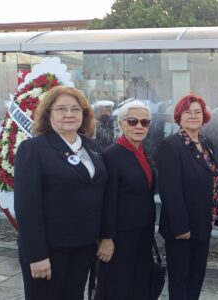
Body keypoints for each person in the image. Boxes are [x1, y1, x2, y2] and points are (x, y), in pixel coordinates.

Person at [14, 86, 107, 300]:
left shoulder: (91, 147)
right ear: (48, 114)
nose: (69, 114)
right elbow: (27, 207)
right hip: (49, 251)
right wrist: (37, 256)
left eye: (76, 109)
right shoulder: (33, 149)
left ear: (84, 114)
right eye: (61, 108)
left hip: (82, 247)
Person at [157, 94, 218, 300]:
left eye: (197, 112)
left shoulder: (206, 142)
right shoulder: (171, 145)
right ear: (179, 116)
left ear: (204, 116)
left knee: (197, 275)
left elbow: (217, 173)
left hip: (203, 222)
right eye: (188, 112)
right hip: (181, 228)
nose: (193, 116)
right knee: (180, 278)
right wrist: (181, 227)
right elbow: (169, 190)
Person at [97, 101, 156, 299]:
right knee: (119, 286)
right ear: (121, 124)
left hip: (142, 232)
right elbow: (107, 200)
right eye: (132, 121)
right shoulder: (112, 155)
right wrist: (106, 238)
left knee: (139, 284)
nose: (139, 126)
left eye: (144, 122)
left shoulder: (141, 151)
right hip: (121, 236)